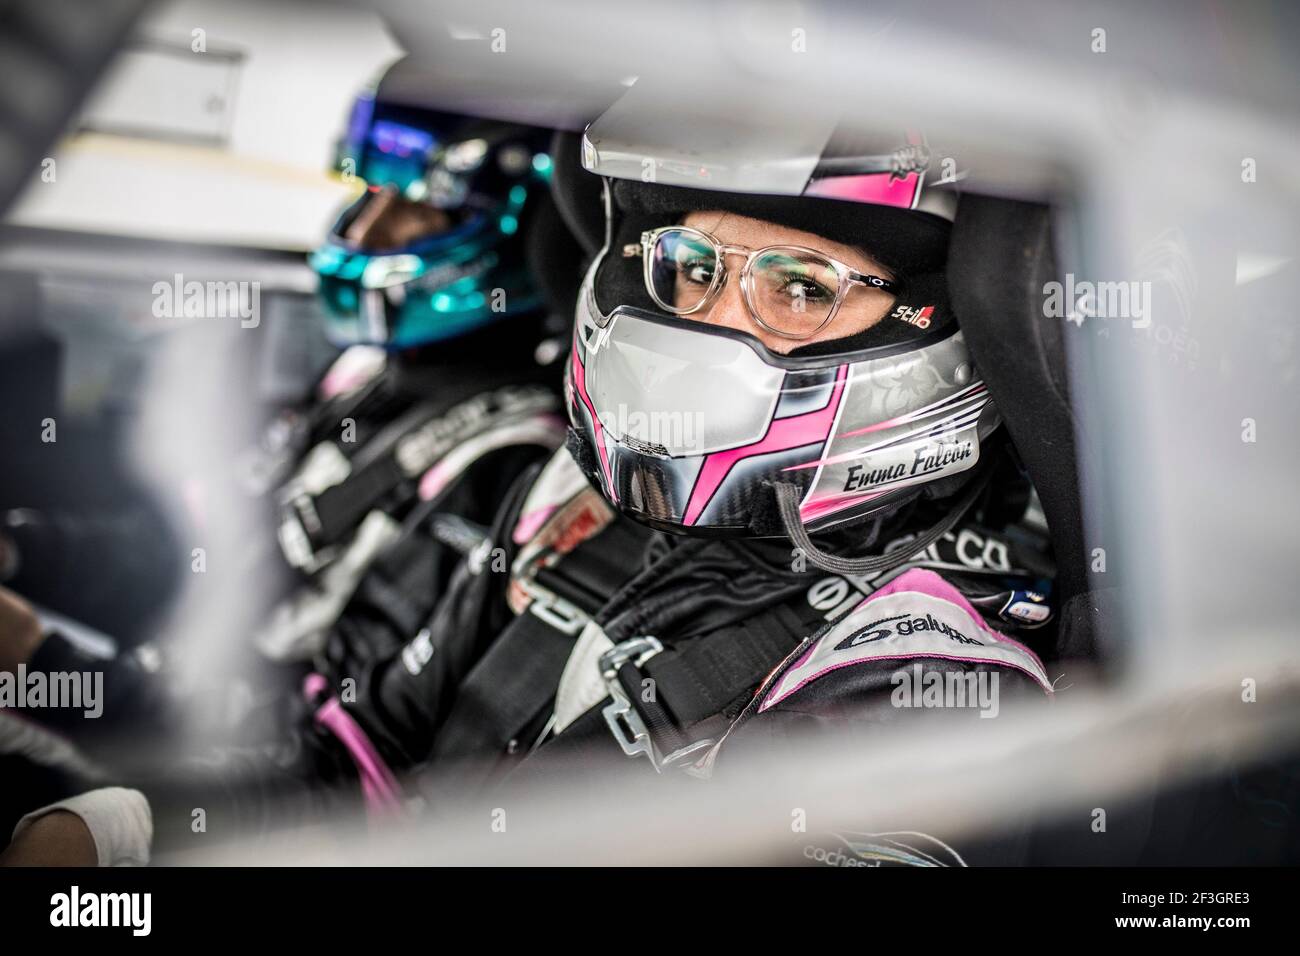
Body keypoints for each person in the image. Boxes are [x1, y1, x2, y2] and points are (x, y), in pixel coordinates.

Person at [6, 121, 1070, 864]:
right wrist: (124, 836)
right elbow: (349, 774)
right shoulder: (570, 503)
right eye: (690, 268)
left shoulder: (928, 686)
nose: (707, 328)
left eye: (798, 287)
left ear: (938, 325)